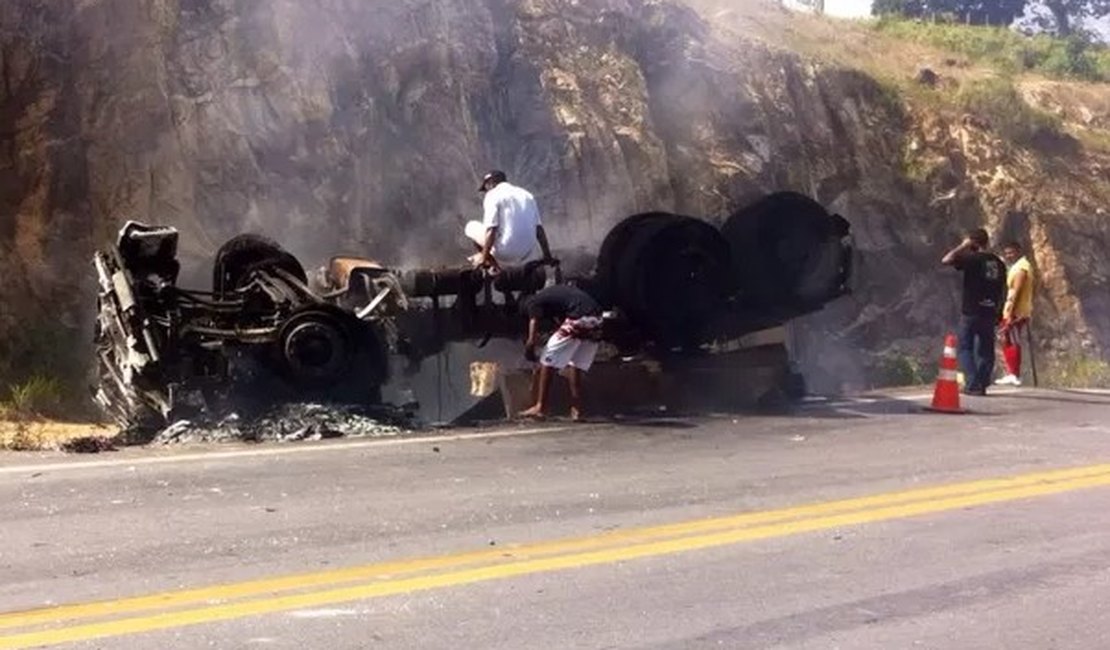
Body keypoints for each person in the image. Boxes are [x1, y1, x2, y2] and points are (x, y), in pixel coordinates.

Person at [517, 284, 603, 421]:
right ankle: (577, 410)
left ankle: (540, 408)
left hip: (579, 318)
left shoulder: (532, 302)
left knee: (547, 359)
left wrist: (530, 343)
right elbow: (562, 323)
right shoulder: (554, 297)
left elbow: (534, 321)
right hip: (597, 319)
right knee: (575, 363)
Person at [941, 228, 1007, 396]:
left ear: (973, 243)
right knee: (986, 349)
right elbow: (1002, 289)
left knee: (965, 348)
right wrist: (999, 312)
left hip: (971, 310)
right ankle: (982, 383)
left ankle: (973, 383)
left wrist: (963, 245)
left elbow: (946, 260)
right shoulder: (998, 263)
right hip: (990, 310)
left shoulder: (972, 259)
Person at [465, 170, 554, 272]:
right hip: (527, 252)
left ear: (491, 183)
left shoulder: (492, 195)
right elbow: (539, 229)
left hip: (505, 252)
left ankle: (493, 266)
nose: (486, 191)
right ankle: (495, 262)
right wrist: (547, 256)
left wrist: (483, 258)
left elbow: (491, 230)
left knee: (470, 227)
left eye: (486, 187)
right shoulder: (527, 195)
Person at [995, 241, 1035, 386]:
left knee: (1012, 340)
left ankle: (1014, 374)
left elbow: (1016, 291)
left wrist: (1011, 312)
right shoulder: (1017, 266)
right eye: (1006, 253)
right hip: (1015, 309)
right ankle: (1011, 372)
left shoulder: (1021, 267)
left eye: (1011, 252)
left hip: (1016, 311)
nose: (1008, 255)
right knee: (1007, 339)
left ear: (1018, 251)